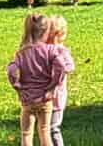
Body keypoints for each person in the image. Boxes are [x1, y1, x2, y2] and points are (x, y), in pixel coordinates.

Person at [7, 12, 70, 146]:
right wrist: (53, 85)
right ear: (46, 32)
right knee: (44, 131)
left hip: (28, 100)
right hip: (45, 98)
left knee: (26, 134)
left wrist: (17, 86)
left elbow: (11, 70)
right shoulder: (50, 50)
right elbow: (61, 67)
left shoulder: (22, 52)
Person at [39, 13, 76, 146]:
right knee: (44, 129)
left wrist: (59, 66)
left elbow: (70, 67)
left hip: (56, 96)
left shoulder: (62, 51)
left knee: (53, 128)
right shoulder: (43, 50)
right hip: (43, 96)